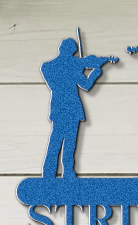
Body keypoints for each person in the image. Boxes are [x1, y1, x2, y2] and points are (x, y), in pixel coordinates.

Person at [40, 37, 114, 177]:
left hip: (59, 107)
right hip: (72, 108)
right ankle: (68, 172)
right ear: (72, 51)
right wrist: (95, 72)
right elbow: (86, 85)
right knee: (69, 143)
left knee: (56, 140)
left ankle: (48, 173)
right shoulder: (71, 66)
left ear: (61, 48)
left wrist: (82, 63)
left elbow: (80, 63)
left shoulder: (48, 67)